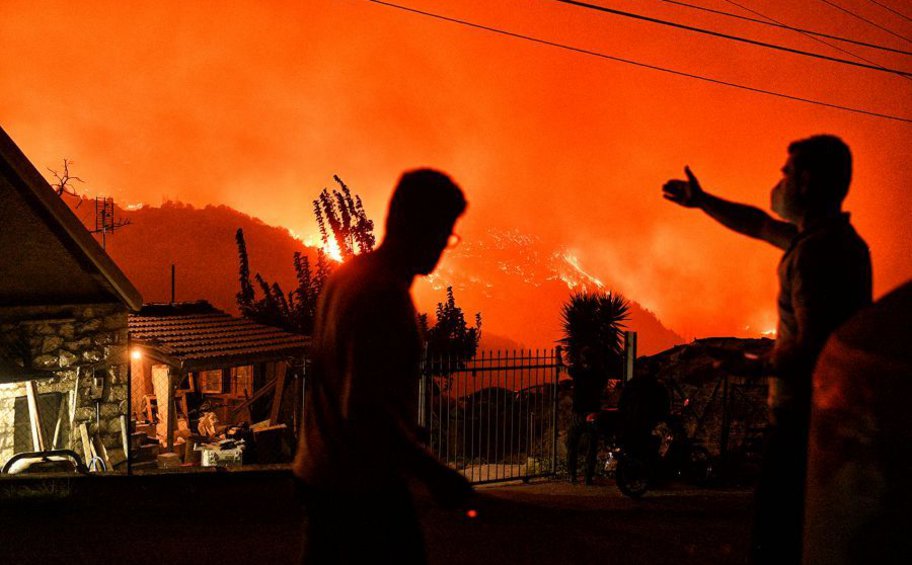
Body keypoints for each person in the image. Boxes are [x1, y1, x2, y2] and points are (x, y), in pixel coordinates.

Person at [662, 135, 872, 564]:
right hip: (821, 418)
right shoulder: (828, 241)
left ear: (807, 182)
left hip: (801, 421)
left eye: (787, 171)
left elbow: (810, 346)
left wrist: (735, 362)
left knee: (777, 539)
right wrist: (704, 201)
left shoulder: (817, 255)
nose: (779, 178)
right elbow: (758, 224)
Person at [293, 169, 474, 564]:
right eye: (444, 231)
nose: (445, 244)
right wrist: (434, 473)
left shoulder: (346, 277)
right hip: (360, 489)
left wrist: (406, 427)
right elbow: (363, 412)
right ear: (417, 226)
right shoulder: (383, 297)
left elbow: (341, 381)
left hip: (320, 472)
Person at [565, 346, 606, 485]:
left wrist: (558, 354)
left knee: (572, 444)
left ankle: (572, 475)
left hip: (578, 413)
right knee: (592, 446)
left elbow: (562, 367)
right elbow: (603, 388)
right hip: (593, 413)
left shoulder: (577, 371)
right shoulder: (600, 374)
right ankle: (588, 476)